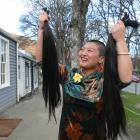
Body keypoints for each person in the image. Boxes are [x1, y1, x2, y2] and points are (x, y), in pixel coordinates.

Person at [36, 11, 132, 140]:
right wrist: (41, 28)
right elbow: (42, 62)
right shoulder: (68, 74)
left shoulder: (107, 80)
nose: (83, 53)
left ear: (101, 59)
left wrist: (120, 40)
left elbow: (126, 78)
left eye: (90, 50)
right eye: (82, 49)